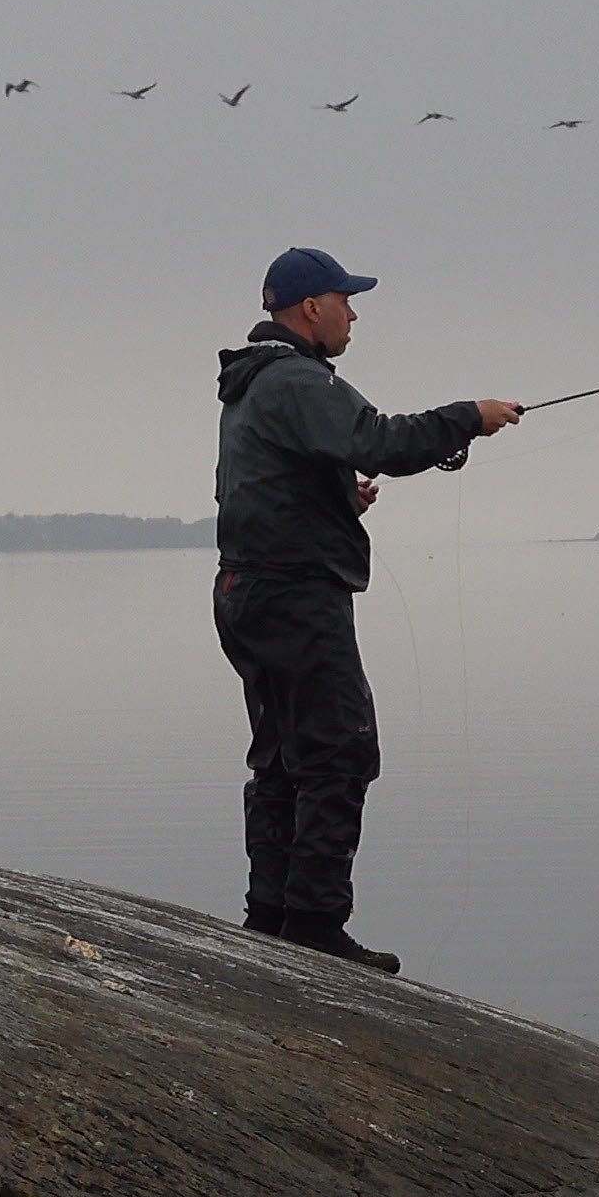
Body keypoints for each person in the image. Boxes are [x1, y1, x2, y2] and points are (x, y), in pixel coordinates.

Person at [213, 248, 522, 971]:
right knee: (338, 753)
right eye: (344, 300)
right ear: (309, 308)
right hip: (293, 597)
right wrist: (467, 418)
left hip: (250, 593)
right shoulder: (294, 377)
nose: (354, 313)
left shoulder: (252, 382)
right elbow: (379, 440)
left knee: (283, 760)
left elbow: (256, 486)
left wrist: (334, 499)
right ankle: (315, 927)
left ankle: (271, 917)